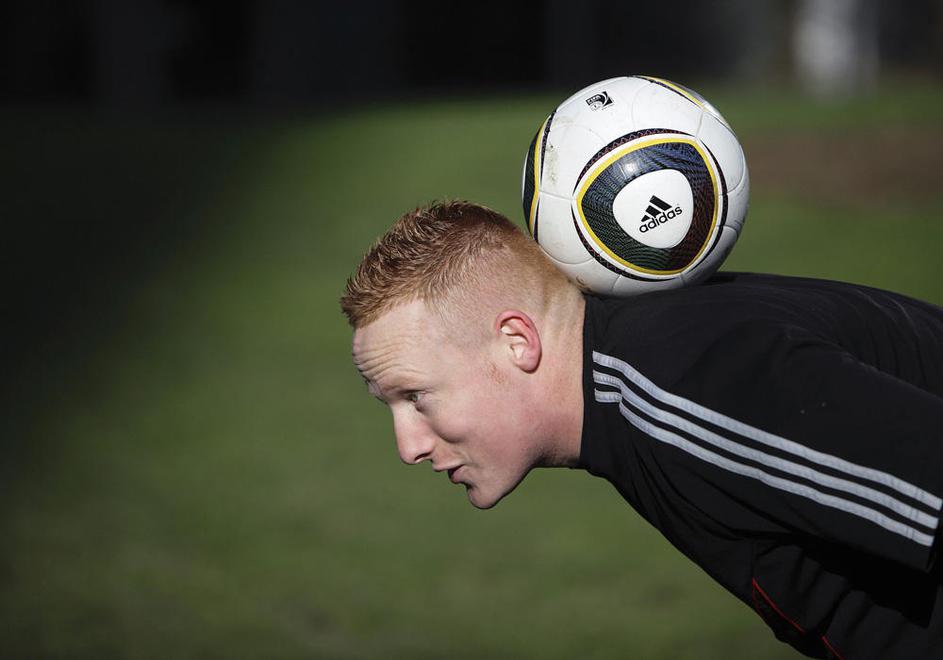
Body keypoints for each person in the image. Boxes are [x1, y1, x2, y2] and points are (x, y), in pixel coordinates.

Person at [339, 200, 943, 659]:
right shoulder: (637, 375)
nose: (408, 446)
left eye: (416, 396)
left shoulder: (683, 383)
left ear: (515, 342)